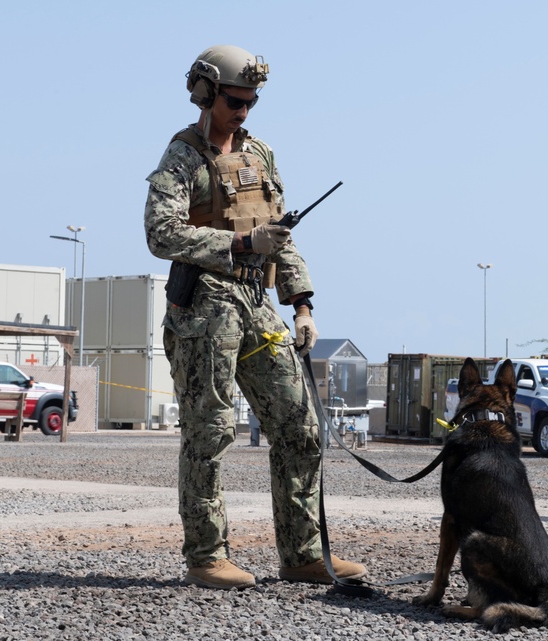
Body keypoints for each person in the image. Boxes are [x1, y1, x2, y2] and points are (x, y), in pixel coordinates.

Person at [143, 45, 366, 590]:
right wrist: (242, 241)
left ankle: (303, 554)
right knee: (210, 429)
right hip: (205, 309)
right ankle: (206, 556)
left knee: (301, 426)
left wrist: (303, 304)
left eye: (251, 101)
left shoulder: (260, 155)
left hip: (258, 305)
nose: (243, 110)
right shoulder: (183, 157)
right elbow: (160, 233)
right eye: (234, 100)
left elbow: (281, 235)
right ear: (205, 93)